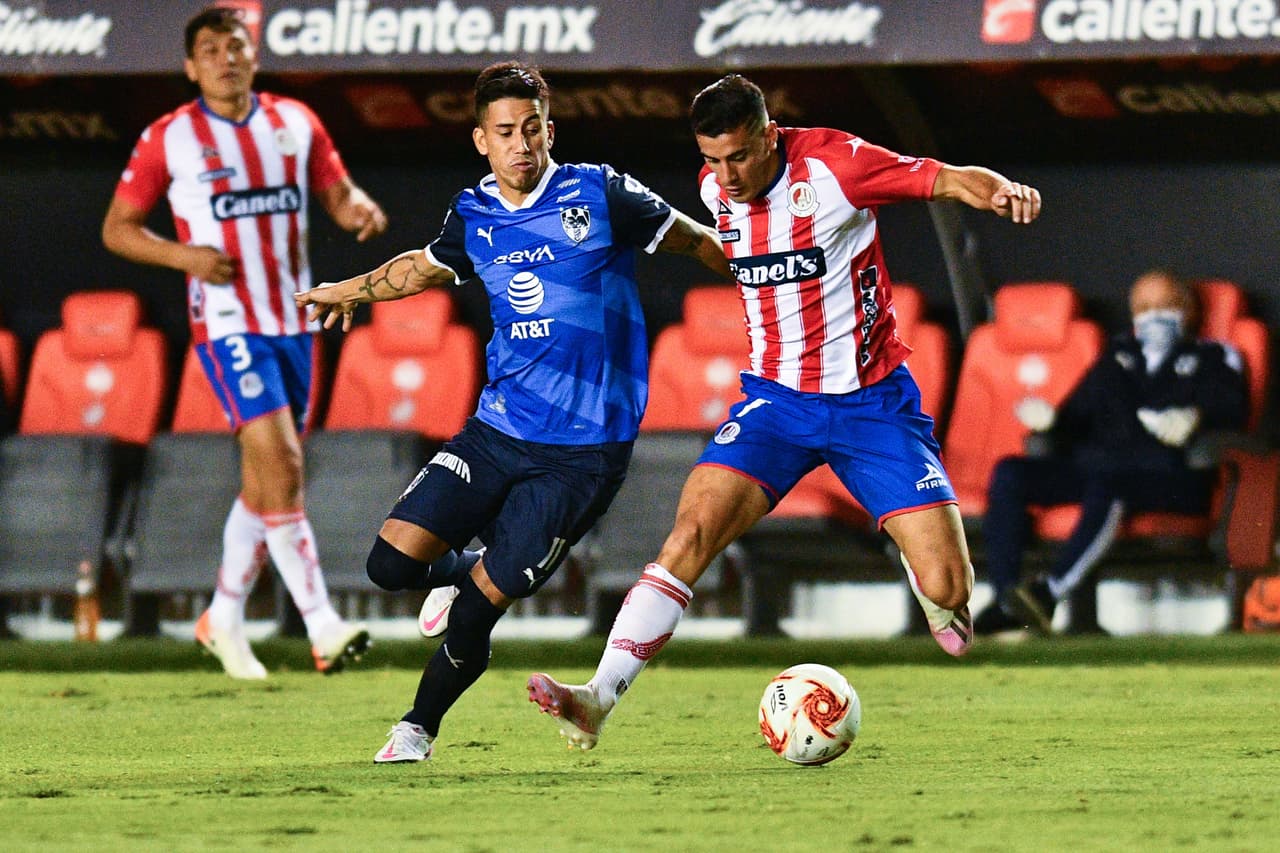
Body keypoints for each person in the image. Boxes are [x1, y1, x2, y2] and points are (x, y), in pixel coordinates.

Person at [526, 73, 1043, 750]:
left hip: (872, 404)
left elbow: (943, 178)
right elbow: (744, 257)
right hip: (774, 403)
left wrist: (999, 190)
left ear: (770, 135)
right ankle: (597, 696)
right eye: (713, 159)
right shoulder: (716, 190)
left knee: (949, 585)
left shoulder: (837, 165)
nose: (727, 175)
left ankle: (933, 587)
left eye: (739, 156)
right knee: (689, 536)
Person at [294, 61, 732, 764]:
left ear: (549, 130)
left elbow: (699, 240)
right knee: (389, 565)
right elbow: (423, 267)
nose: (521, 144)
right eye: (505, 132)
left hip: (582, 456)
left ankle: (416, 728)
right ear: (481, 140)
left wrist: (767, 273)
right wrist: (351, 288)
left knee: (475, 610)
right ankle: (471, 566)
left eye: (532, 128)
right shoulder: (473, 213)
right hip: (497, 429)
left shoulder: (601, 193)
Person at [102, 6, 387, 679]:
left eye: (235, 46)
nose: (226, 59)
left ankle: (222, 616)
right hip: (228, 323)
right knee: (281, 461)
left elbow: (337, 192)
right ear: (189, 66)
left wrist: (358, 209)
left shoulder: (295, 121)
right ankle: (322, 624)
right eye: (210, 49)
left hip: (295, 322)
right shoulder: (168, 137)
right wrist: (184, 257)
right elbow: (118, 228)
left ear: (253, 54)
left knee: (267, 483)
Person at [973, 269, 1248, 634]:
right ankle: (1007, 598)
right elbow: (1076, 414)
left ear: (1190, 310)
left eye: (1167, 305)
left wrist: (1196, 416)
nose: (1155, 316)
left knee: (1109, 484)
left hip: (1170, 474)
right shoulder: (1118, 356)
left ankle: (1048, 594)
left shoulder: (1213, 355)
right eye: (1144, 308)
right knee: (1011, 471)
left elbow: (1234, 408)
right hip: (1098, 466)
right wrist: (1051, 421)